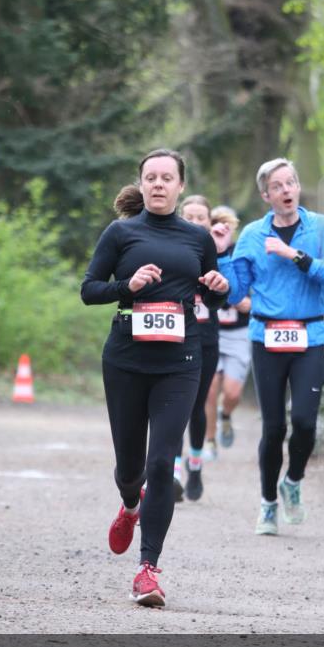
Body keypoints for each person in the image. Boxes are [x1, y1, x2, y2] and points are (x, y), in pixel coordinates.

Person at [81, 149, 229, 606]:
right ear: (141, 184)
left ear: (181, 186)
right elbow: (89, 290)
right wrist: (127, 287)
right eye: (151, 177)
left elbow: (212, 297)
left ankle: (148, 570)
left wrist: (220, 289)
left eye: (167, 178)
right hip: (126, 361)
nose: (159, 184)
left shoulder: (197, 238)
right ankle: (131, 505)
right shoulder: (121, 232)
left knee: (163, 462)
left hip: (180, 362)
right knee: (131, 470)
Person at [213, 158, 324, 536]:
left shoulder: (320, 227)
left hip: (309, 337)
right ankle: (268, 504)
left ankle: (293, 480)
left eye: (291, 182)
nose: (286, 190)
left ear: (298, 187)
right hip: (266, 338)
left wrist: (297, 257)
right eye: (277, 186)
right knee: (273, 429)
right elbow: (235, 293)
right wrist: (222, 254)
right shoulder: (252, 235)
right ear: (266, 196)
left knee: (304, 422)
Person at [172, 195, 220, 503]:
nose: (194, 222)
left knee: (197, 405)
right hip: (176, 337)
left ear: (210, 222)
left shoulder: (218, 254)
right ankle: (174, 473)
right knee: (175, 405)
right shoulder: (171, 250)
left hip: (206, 340)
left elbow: (229, 292)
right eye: (188, 216)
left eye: (200, 217)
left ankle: (196, 466)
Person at [204, 205, 252, 458]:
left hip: (239, 333)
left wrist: (249, 303)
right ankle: (210, 440)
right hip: (213, 332)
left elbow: (257, 289)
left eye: (228, 225)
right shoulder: (203, 252)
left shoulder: (242, 254)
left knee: (232, 393)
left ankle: (226, 415)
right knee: (210, 390)